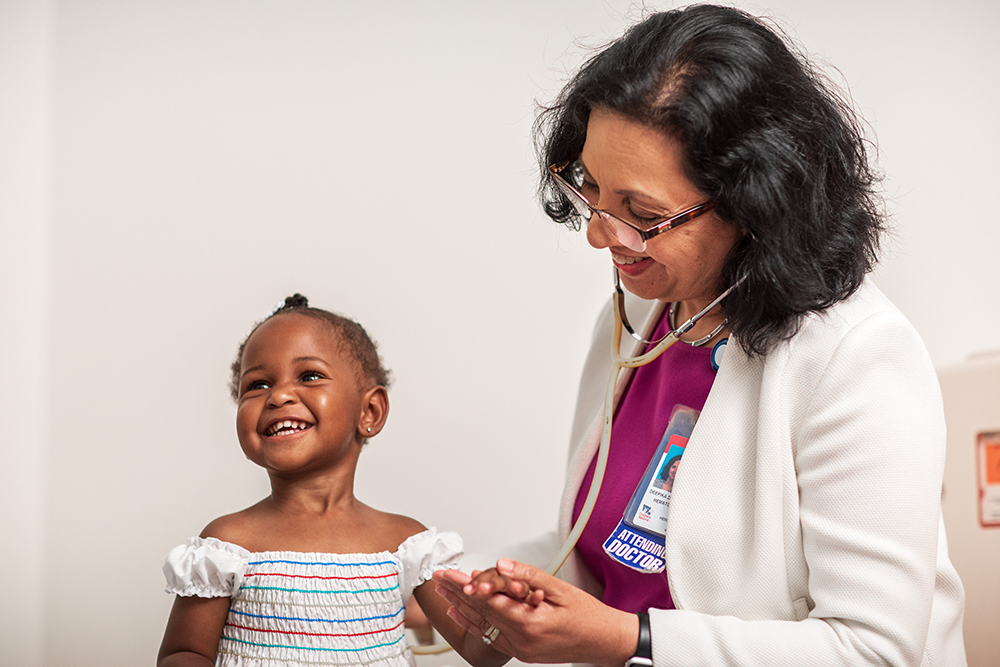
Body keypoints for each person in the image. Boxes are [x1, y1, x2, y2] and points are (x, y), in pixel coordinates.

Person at [433, 5, 967, 667]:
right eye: (590, 190)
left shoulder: (855, 356)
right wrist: (478, 588)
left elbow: (872, 649)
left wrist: (629, 641)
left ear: (755, 201)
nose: (600, 234)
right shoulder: (638, 317)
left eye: (643, 214)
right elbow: (608, 550)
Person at [157, 295, 508, 667]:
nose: (279, 395)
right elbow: (184, 652)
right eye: (257, 384)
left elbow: (477, 650)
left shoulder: (405, 543)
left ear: (369, 411)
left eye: (309, 376)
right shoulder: (228, 544)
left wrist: (503, 617)